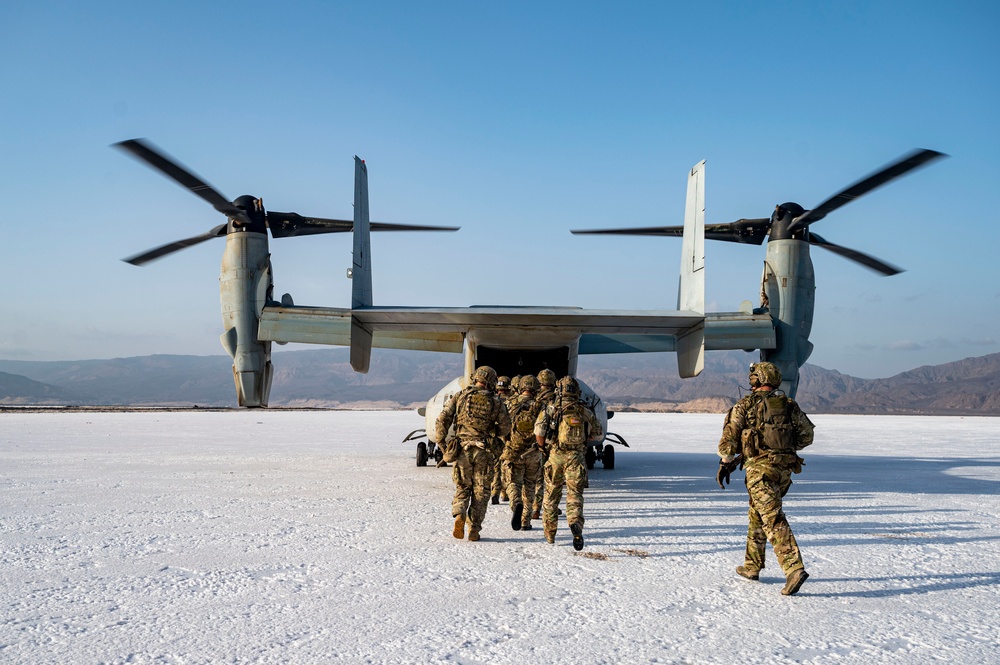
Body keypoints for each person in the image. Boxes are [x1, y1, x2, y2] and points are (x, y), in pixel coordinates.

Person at [717, 361, 815, 596]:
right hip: (784, 471)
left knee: (772, 517)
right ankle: (752, 566)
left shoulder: (744, 405)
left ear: (756, 380)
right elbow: (807, 437)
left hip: (759, 473)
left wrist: (725, 462)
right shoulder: (789, 406)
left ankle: (793, 568)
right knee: (758, 514)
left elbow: (727, 444)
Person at [435, 365, 511, 542]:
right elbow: (506, 427)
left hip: (462, 449)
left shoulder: (460, 396)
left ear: (475, 378)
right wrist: (493, 433)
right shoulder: (496, 401)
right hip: (484, 451)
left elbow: (443, 418)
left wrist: (442, 444)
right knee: (482, 491)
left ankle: (460, 514)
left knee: (463, 487)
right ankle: (474, 529)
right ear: (491, 382)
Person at [534, 375, 603, 550]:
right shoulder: (584, 411)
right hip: (576, 458)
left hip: (556, 457)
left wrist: (543, 448)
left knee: (551, 495)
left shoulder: (551, 409)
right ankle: (575, 523)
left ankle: (550, 534)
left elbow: (539, 432)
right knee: (575, 494)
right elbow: (598, 434)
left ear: (560, 390)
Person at [501, 375, 546, 531]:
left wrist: (507, 440)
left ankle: (516, 503)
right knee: (530, 485)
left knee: (512, 482)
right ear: (536, 389)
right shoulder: (541, 406)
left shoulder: (509, 404)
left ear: (520, 388)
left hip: (513, 450)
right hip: (533, 452)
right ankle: (526, 521)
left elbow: (502, 427)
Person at [531, 368, 558, 519]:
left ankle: (534, 507)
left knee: (535, 477)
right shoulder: (557, 399)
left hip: (534, 442)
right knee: (551, 479)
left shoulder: (533, 397)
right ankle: (547, 506)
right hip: (551, 444)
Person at [491, 376, 513, 504]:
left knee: (496, 466)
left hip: (496, 439)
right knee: (507, 466)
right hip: (508, 438)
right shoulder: (513, 401)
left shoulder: (493, 401)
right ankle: (505, 492)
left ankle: (495, 491)